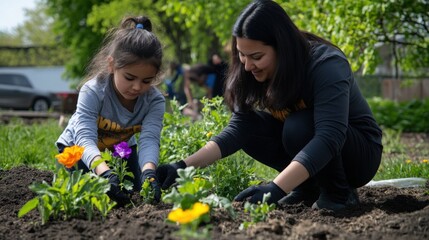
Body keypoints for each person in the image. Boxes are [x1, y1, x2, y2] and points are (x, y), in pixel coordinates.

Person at [156, 0, 383, 212]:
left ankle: (338, 194)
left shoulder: (325, 65)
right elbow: (237, 129)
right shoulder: (251, 70)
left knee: (299, 126)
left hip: (357, 154)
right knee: (252, 129)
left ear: (282, 47)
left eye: (256, 56)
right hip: (314, 148)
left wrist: (276, 188)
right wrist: (182, 167)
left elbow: (329, 135)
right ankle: (307, 188)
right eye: (242, 55)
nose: (247, 66)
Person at [56, 16, 164, 206]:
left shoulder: (154, 100)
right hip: (77, 149)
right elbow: (84, 138)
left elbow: (149, 139)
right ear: (112, 65)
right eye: (130, 77)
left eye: (147, 81)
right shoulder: (93, 91)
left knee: (133, 195)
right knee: (84, 196)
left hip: (120, 148)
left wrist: (149, 173)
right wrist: (105, 173)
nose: (137, 87)